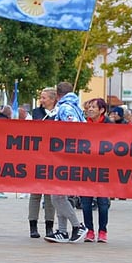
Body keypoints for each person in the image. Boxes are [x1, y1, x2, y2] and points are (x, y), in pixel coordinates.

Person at [43, 82, 90, 243]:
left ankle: (78, 226)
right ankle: (62, 231)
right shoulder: (75, 107)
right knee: (59, 195)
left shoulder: (66, 108)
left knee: (57, 196)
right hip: (68, 157)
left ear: (57, 95)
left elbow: (73, 130)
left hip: (66, 157)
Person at [80, 97, 112, 243]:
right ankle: (89, 231)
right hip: (86, 168)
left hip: (104, 168)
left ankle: (103, 231)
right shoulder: (82, 125)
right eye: (89, 107)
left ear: (102, 110)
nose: (90, 109)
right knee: (85, 202)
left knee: (103, 202)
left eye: (93, 107)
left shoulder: (110, 126)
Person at [28, 89, 57, 238]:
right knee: (35, 193)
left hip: (54, 157)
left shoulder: (60, 113)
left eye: (44, 97)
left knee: (49, 195)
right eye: (41, 97)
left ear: (53, 99)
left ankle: (49, 226)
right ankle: (33, 225)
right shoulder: (36, 113)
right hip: (38, 156)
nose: (42, 100)